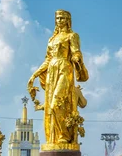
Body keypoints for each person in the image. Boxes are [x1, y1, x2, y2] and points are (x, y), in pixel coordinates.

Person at [28, 10, 89, 146]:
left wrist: (77, 58)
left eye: (62, 18)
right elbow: (48, 59)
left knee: (57, 102)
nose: (59, 20)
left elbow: (76, 51)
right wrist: (35, 74)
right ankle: (54, 138)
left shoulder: (72, 36)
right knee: (50, 106)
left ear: (68, 20)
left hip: (64, 69)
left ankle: (65, 135)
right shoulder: (52, 39)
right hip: (52, 70)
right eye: (57, 18)